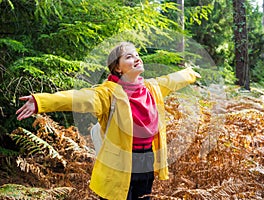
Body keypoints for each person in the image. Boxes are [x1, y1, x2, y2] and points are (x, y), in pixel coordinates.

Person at [16, 42, 200, 200]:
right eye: (129, 56)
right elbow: (79, 98)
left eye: (137, 55)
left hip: (146, 158)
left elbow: (172, 80)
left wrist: (191, 73)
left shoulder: (151, 88)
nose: (137, 58)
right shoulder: (108, 93)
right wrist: (41, 102)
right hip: (120, 161)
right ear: (117, 67)